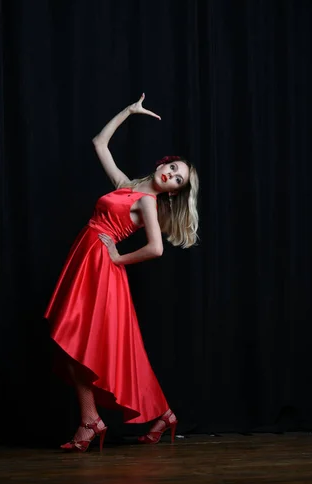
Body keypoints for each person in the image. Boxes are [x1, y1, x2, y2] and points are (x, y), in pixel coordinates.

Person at [44, 93, 199, 452]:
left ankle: (90, 421)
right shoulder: (126, 185)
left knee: (77, 346)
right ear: (165, 163)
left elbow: (156, 248)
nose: (172, 175)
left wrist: (116, 258)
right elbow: (100, 142)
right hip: (85, 257)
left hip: (101, 266)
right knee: (81, 345)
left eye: (177, 180)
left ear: (174, 192)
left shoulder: (146, 201)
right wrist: (129, 111)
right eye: (174, 168)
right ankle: (162, 415)